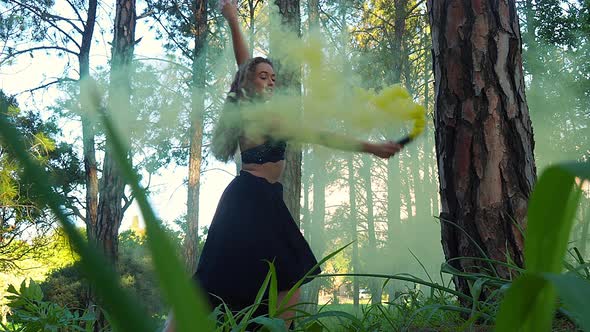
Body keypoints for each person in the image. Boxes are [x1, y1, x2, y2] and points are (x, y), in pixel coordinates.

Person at [164, 2, 402, 331]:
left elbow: (248, 68)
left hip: (264, 199)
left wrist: (373, 148)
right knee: (237, 275)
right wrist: (372, 148)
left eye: (274, 77)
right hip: (249, 198)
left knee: (282, 272)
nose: (271, 82)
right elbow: (321, 135)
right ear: (248, 83)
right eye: (264, 77)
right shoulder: (255, 111)